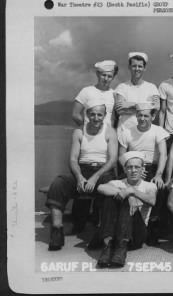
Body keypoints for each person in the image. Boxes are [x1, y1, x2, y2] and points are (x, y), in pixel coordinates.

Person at [46, 99, 118, 251]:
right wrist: (79, 177)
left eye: (100, 115)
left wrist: (95, 177)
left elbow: (112, 160)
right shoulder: (79, 132)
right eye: (93, 114)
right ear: (87, 115)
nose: (96, 118)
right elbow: (73, 159)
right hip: (82, 169)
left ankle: (102, 233)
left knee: (109, 190)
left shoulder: (110, 132)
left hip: (102, 172)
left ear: (105, 116)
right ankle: (57, 230)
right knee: (58, 184)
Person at [118, 102, 169, 243]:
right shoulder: (127, 132)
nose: (142, 119)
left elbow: (163, 155)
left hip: (152, 167)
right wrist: (134, 170)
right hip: (132, 166)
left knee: (161, 188)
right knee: (120, 186)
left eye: (146, 116)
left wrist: (159, 174)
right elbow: (121, 157)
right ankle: (127, 223)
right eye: (139, 115)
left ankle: (154, 223)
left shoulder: (158, 131)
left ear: (152, 116)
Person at [96, 151, 157, 268]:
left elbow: (152, 201)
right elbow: (100, 187)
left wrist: (132, 191)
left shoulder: (150, 186)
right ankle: (107, 246)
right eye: (129, 167)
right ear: (124, 170)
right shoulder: (117, 183)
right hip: (115, 232)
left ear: (143, 169)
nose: (133, 170)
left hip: (136, 234)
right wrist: (126, 194)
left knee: (121, 198)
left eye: (137, 167)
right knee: (111, 198)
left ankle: (121, 248)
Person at [114, 52, 160, 134]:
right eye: (134, 66)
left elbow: (156, 107)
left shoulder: (152, 87)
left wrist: (131, 105)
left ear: (144, 68)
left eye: (140, 66)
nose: (137, 69)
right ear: (129, 67)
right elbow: (120, 110)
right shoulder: (122, 87)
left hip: (145, 134)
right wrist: (146, 106)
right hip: (124, 132)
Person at [72, 60, 118, 127]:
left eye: (109, 76)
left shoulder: (115, 95)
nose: (106, 79)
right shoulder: (86, 91)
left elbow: (115, 119)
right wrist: (86, 128)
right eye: (103, 75)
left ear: (113, 77)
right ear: (98, 74)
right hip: (89, 136)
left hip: (107, 136)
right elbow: (75, 114)